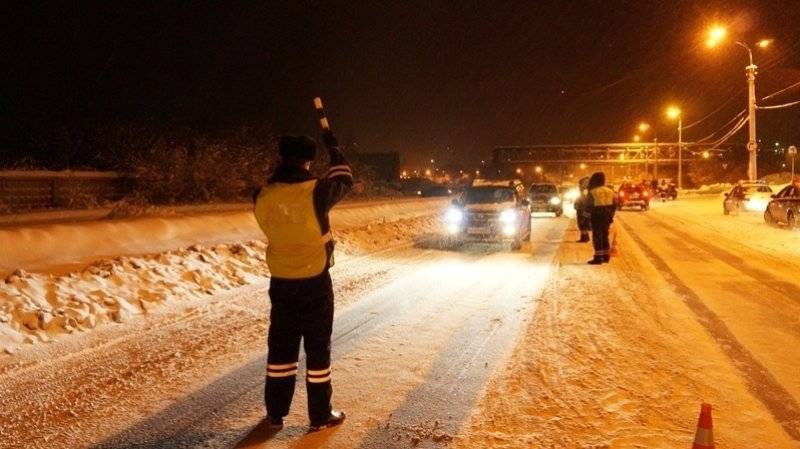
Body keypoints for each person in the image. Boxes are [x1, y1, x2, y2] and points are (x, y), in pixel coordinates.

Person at [253, 132, 353, 431]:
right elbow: (345, 179)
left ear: (281, 158)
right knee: (317, 350)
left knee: (281, 349)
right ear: (309, 161)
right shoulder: (317, 191)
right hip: (314, 281)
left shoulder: (262, 195)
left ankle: (275, 414)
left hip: (281, 282)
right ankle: (319, 415)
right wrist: (335, 149)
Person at [586, 171, 616, 264]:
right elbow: (614, 205)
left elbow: (588, 205)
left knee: (597, 236)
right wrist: (611, 215)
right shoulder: (610, 191)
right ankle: (606, 256)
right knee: (604, 235)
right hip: (607, 215)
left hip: (596, 215)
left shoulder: (593, 192)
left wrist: (587, 217)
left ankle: (598, 257)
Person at [573, 176, 591, 242]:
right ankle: (584, 237)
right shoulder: (586, 190)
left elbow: (583, 200)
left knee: (582, 223)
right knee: (583, 223)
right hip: (583, 208)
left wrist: (578, 205)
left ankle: (585, 237)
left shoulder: (585, 190)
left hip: (582, 209)